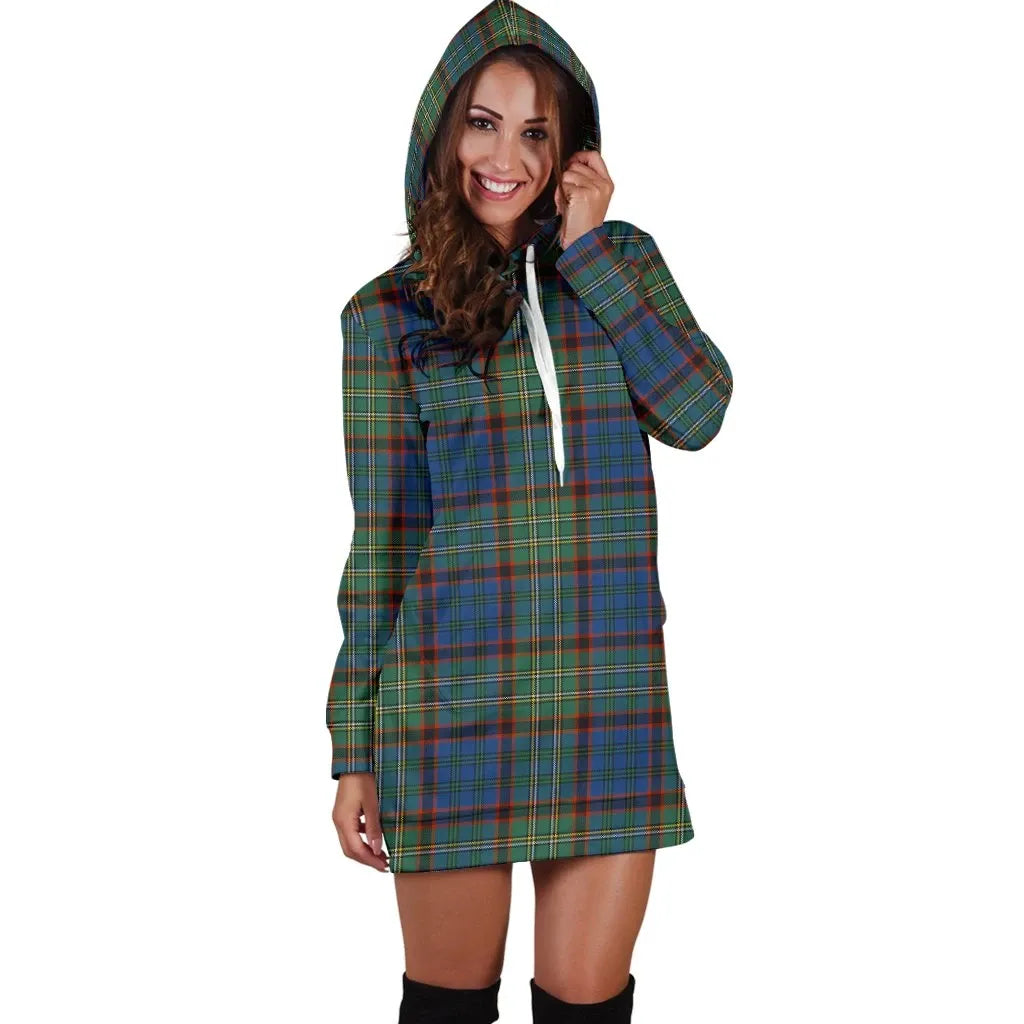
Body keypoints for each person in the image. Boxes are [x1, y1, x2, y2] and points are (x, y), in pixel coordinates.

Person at [326, 1, 733, 1020]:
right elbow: (383, 542)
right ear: (442, 133)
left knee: (588, 1005)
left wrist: (588, 255)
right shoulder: (386, 314)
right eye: (483, 123)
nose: (504, 157)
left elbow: (696, 414)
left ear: (570, 151)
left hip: (606, 694)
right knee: (448, 1008)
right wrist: (352, 747)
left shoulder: (621, 263)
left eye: (535, 132)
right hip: (450, 703)